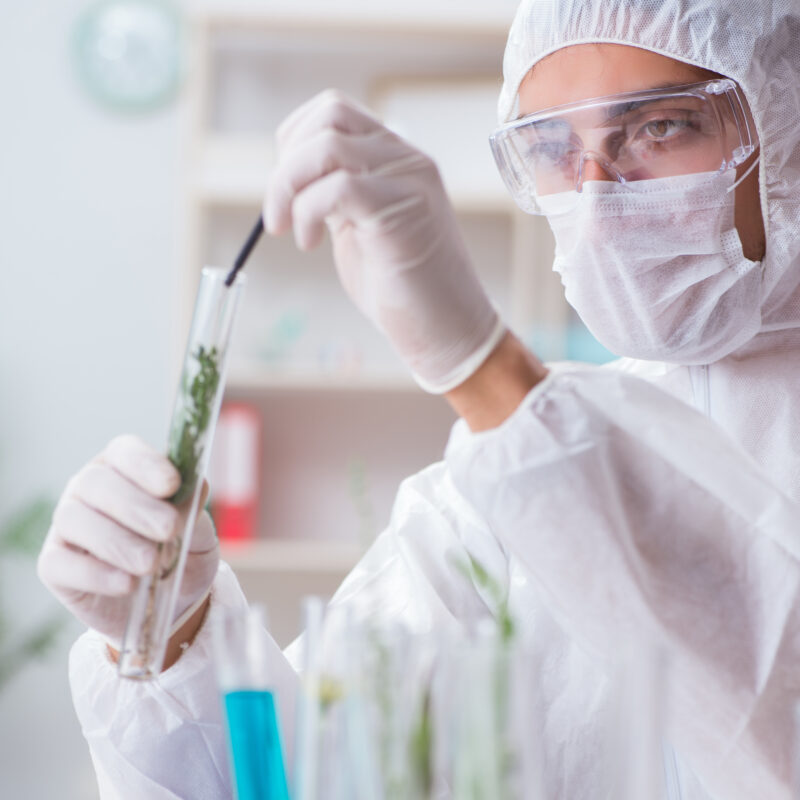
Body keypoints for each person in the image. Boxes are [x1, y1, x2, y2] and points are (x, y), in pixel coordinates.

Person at [37, 0, 800, 797]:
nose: (597, 197)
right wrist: (173, 642)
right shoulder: (497, 484)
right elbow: (318, 772)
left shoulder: (521, 435)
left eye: (661, 127)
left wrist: (482, 370)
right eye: (551, 146)